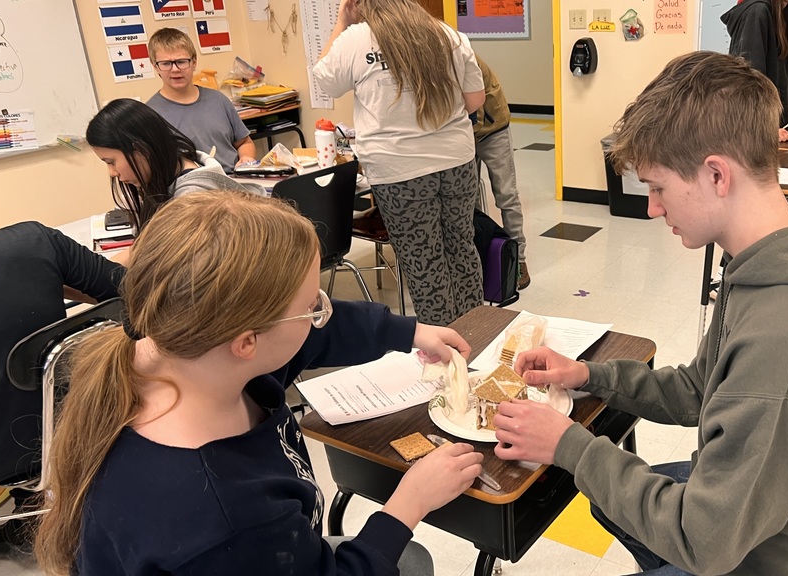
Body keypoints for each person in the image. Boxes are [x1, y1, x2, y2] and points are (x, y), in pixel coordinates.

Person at [494, 52, 788, 575]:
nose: (652, 208)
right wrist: (588, 375)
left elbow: (705, 542)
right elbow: (701, 389)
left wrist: (568, 445)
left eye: (658, 187)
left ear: (716, 174)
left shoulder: (786, 336)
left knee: (603, 482)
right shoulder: (778, 254)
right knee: (608, 496)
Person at [34, 190, 483, 575]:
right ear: (246, 341)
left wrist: (408, 332)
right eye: (311, 307)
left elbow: (312, 336)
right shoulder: (225, 517)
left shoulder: (189, 357)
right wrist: (409, 503)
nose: (320, 313)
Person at [313, 0, 486, 326]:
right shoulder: (447, 34)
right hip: (457, 161)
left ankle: (444, 347)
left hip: (399, 171)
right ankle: (477, 335)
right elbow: (475, 99)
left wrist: (342, 21)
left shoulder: (357, 38)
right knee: (462, 248)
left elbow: (325, 81)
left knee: (425, 263)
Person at [0, 173, 123, 558]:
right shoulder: (35, 242)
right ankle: (35, 514)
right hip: (53, 438)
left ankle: (31, 511)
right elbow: (126, 290)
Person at [87, 98, 265, 233]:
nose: (112, 173)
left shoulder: (191, 199)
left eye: (111, 162)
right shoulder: (176, 166)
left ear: (141, 150)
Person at [146, 27, 256, 173]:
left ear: (194, 62)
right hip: (189, 185)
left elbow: (244, 142)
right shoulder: (150, 115)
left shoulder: (218, 100)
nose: (175, 69)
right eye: (166, 63)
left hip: (233, 181)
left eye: (181, 61)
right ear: (155, 66)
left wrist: (246, 158)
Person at [472, 55, 531, 290]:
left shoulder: (462, 56)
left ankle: (518, 261)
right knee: (468, 199)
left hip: (492, 127)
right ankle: (478, 258)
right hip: (462, 132)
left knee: (506, 195)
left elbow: (474, 107)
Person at [722, 0, 788, 142]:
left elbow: (786, 76)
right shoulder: (757, 12)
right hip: (753, 136)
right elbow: (749, 81)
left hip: (773, 130)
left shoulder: (782, 15)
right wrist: (764, 128)